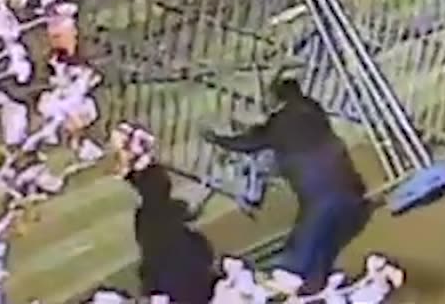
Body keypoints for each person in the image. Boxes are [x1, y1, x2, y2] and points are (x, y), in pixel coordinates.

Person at [205, 78, 368, 289]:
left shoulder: (280, 123)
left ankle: (306, 284)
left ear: (278, 99)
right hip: (347, 185)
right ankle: (317, 279)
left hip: (321, 194)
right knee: (320, 240)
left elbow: (250, 142)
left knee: (304, 248)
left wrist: (217, 139)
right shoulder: (312, 109)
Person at [128, 164, 217, 304]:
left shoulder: (141, 216)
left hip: (161, 277)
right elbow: (191, 214)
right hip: (184, 274)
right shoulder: (174, 207)